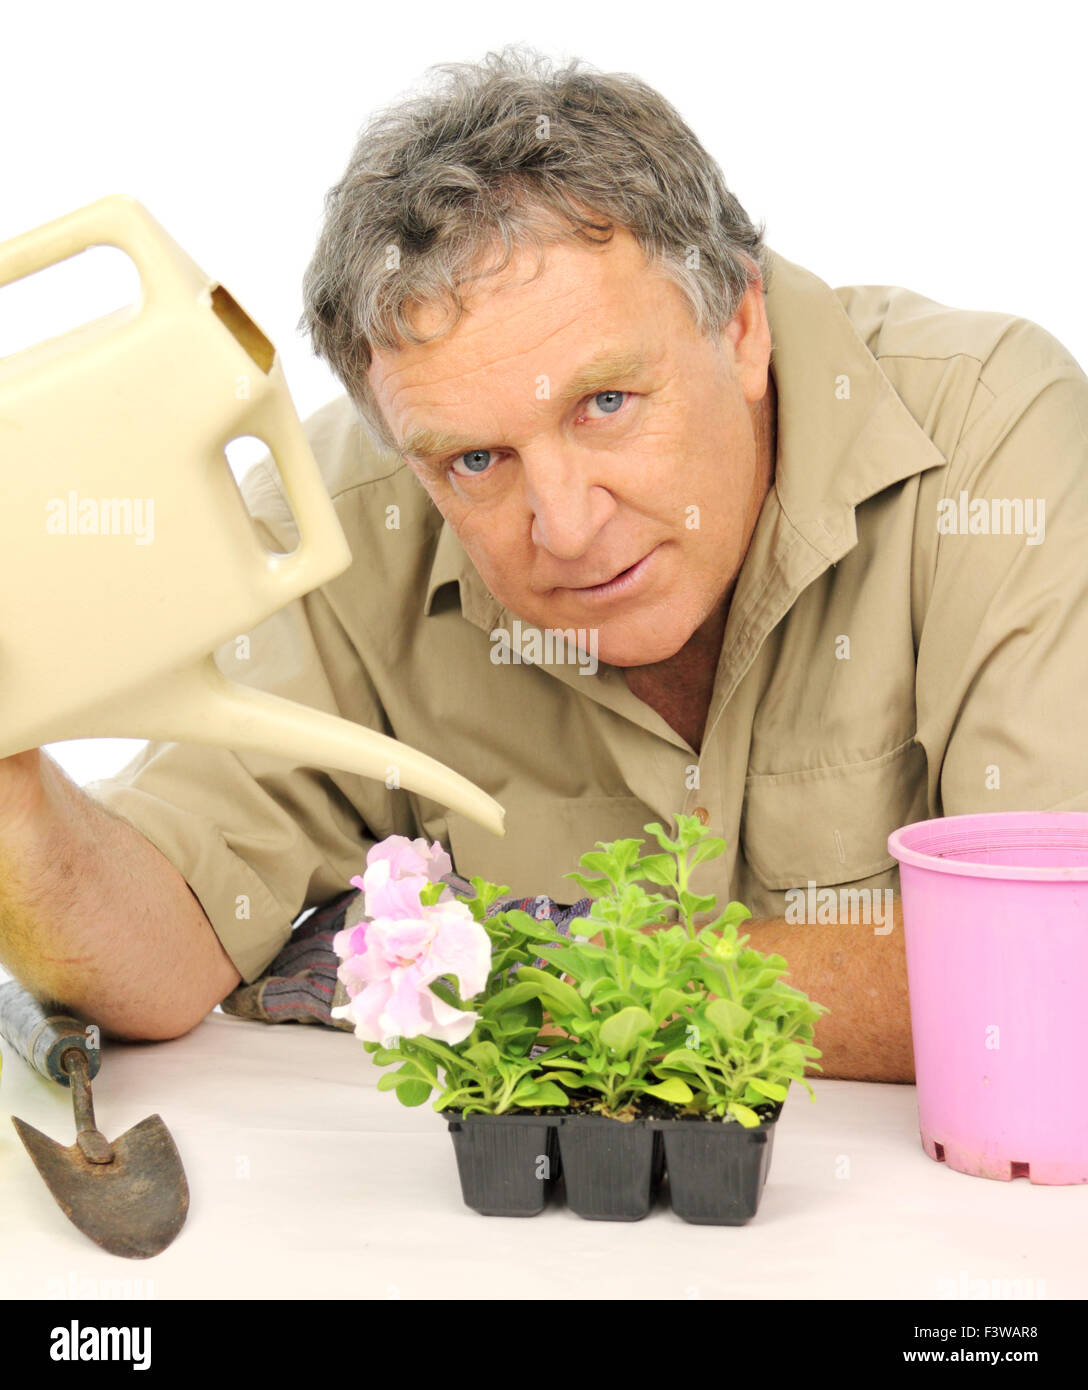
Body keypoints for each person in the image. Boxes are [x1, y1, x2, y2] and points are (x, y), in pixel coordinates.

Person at [1, 47, 1085, 1084]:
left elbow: (1049, 971)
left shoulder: (992, 433)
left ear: (741, 324)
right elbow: (163, 948)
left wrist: (523, 978)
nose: (563, 526)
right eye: (475, 460)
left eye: (606, 404)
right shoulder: (330, 522)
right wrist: (13, 795)